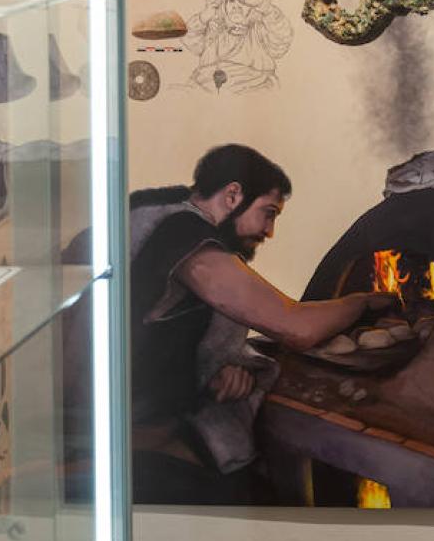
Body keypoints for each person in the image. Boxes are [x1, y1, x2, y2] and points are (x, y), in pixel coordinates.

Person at [126, 145, 391, 504]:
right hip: (129, 442)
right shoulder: (184, 237)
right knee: (264, 498)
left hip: (141, 427)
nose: (269, 232)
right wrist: (360, 302)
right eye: (268, 213)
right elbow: (296, 327)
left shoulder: (160, 212)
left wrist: (215, 372)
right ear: (233, 195)